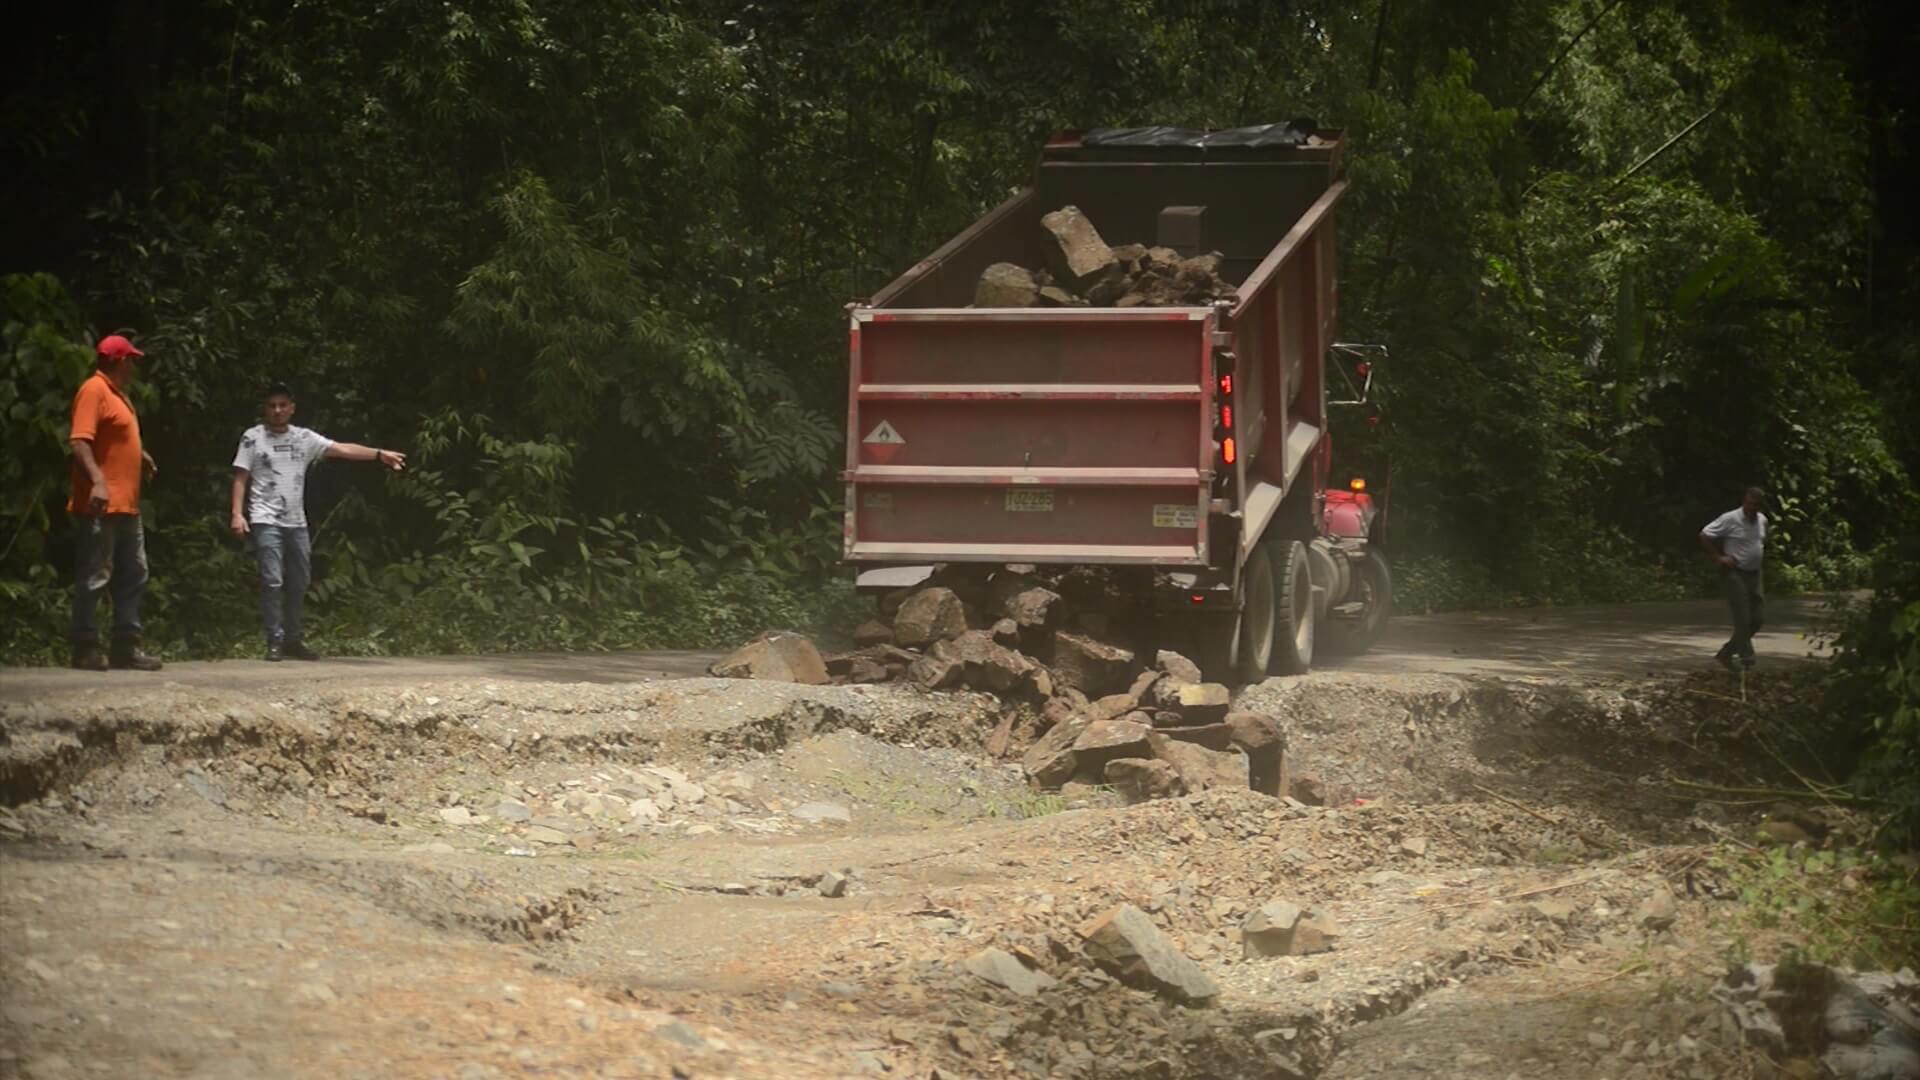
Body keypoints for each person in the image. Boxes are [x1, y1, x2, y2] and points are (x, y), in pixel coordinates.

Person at [230, 382, 405, 660]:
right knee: (273, 580)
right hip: (265, 517)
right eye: (272, 405)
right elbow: (241, 476)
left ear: (291, 409)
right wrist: (237, 514)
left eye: (282, 405)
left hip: (296, 520)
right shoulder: (253, 437)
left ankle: (293, 639)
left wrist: (377, 454)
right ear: (265, 409)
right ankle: (274, 639)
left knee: (300, 580)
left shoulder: (303, 438)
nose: (277, 411)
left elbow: (342, 449)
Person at [67, 334, 164, 671]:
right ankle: (85, 646)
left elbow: (119, 439)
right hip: (103, 504)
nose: (134, 365)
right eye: (132, 359)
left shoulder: (117, 394)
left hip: (128, 504)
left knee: (134, 573)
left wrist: (142, 456)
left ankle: (126, 645)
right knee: (96, 574)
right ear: (120, 360)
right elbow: (80, 442)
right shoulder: (93, 390)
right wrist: (97, 481)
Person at [1699, 486, 1767, 671]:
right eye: (1749, 504)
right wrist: (1718, 557)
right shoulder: (1730, 518)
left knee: (1758, 618)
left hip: (1755, 573)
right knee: (1742, 617)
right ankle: (1747, 657)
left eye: (1755, 505)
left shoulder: (1762, 520)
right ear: (1744, 501)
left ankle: (1727, 652)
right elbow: (1705, 535)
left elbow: (1759, 542)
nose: (1751, 508)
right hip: (1734, 573)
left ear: (1760, 506)